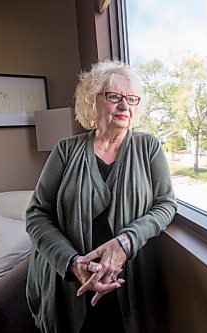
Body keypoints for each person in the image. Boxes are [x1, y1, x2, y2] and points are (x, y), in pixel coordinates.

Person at [25, 60, 178, 333]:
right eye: (113, 96)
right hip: (70, 285)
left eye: (131, 99)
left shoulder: (148, 147)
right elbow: (37, 214)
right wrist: (73, 264)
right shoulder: (65, 150)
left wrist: (125, 242)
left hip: (128, 281)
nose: (124, 106)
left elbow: (165, 205)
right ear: (91, 101)